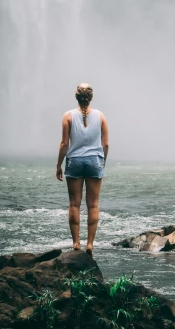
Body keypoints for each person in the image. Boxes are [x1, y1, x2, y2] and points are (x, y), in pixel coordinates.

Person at [56, 83, 109, 256]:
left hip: (75, 162)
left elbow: (64, 144)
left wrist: (58, 165)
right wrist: (103, 162)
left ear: (76, 96)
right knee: (93, 205)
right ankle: (90, 245)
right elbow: (105, 144)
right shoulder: (100, 116)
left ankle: (76, 243)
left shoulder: (68, 116)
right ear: (91, 97)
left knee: (74, 204)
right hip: (95, 161)